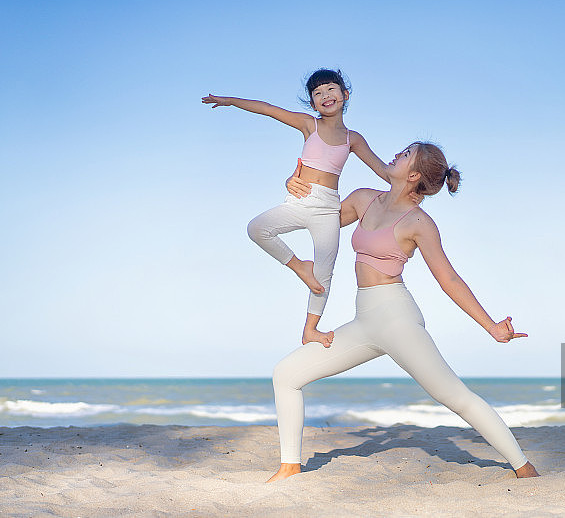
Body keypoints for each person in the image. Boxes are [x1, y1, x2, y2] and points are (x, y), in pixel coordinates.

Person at [267, 142, 539, 482]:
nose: (397, 153)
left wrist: (492, 328)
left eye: (406, 154)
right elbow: (318, 223)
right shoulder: (365, 198)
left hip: (396, 318)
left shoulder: (420, 222)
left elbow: (449, 279)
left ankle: (524, 467)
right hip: (364, 321)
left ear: (413, 175)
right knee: (287, 374)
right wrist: (296, 189)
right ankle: (289, 466)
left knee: (454, 396)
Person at [202, 69, 395, 348]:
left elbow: (382, 169)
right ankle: (298, 266)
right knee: (257, 228)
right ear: (313, 103)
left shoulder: (353, 139)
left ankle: (310, 330)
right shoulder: (309, 125)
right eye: (317, 93)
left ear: (345, 95)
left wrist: (417, 177)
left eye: (330, 89)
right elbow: (268, 109)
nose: (325, 96)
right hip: (300, 200)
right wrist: (230, 101)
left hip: (328, 208)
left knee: (324, 275)